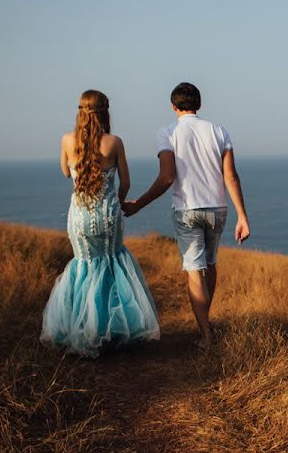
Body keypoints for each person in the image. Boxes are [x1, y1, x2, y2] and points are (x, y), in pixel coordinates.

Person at [122, 82, 250, 347]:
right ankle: (206, 323)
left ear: (173, 106)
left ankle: (205, 334)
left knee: (195, 270)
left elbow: (167, 177)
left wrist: (138, 204)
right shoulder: (219, 131)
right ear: (199, 104)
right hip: (218, 208)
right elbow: (231, 176)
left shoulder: (167, 132)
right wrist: (242, 216)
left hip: (187, 209)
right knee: (210, 264)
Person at [41, 90, 161, 357]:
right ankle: (112, 330)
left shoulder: (66, 140)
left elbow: (64, 172)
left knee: (84, 266)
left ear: (80, 112)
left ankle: (83, 329)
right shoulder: (114, 142)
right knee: (110, 265)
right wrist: (117, 202)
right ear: (106, 112)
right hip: (108, 216)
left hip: (80, 217)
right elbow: (126, 182)